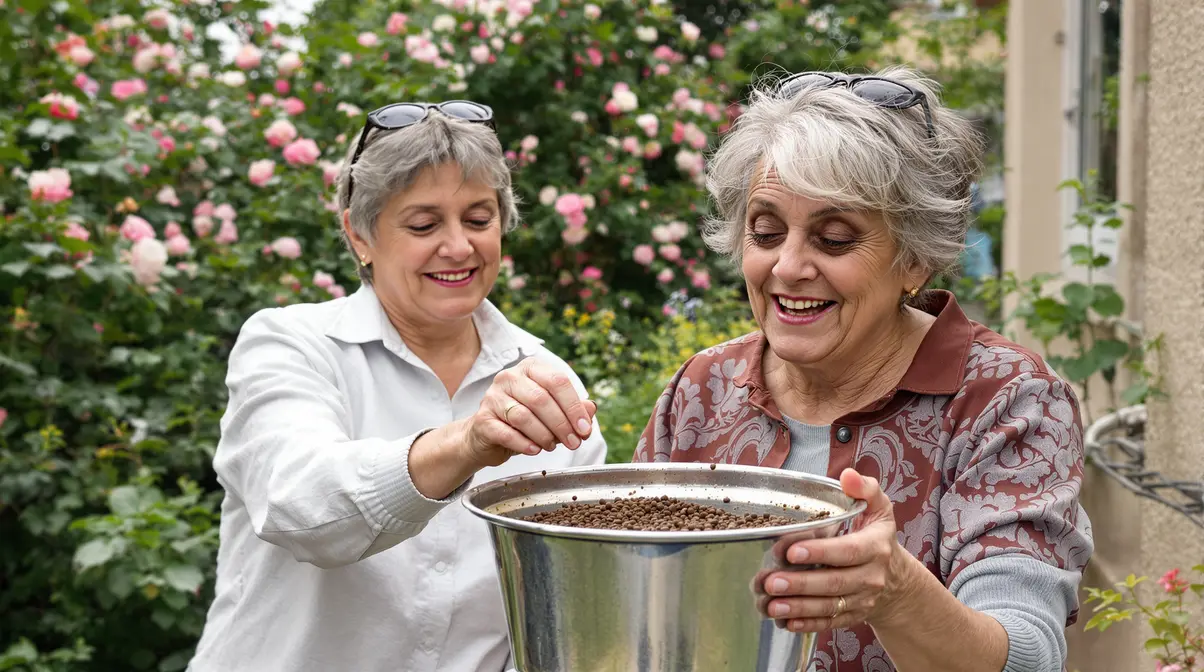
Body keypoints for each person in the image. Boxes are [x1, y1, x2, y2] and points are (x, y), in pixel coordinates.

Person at [636, 67, 1093, 672]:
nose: (788, 267)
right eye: (766, 231)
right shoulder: (703, 389)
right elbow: (641, 606)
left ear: (915, 260)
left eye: (834, 239)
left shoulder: (1007, 401)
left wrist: (897, 591)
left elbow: (1026, 657)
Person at [189, 101, 606, 672]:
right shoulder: (292, 345)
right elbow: (298, 507)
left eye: (479, 219)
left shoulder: (546, 383)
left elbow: (564, 605)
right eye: (423, 224)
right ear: (360, 235)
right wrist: (466, 445)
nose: (458, 247)